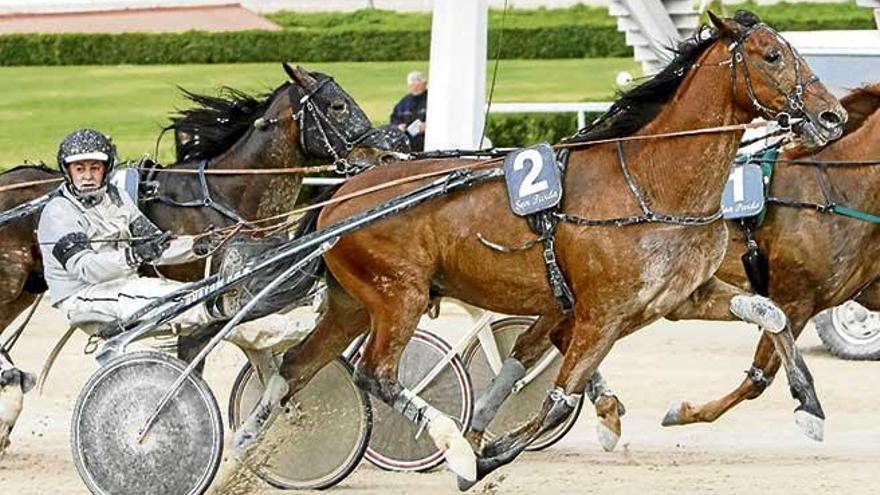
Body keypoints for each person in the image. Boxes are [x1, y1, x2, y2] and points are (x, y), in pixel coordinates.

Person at [37, 128, 218, 329]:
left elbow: (155, 246)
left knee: (200, 293)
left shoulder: (118, 198)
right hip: (83, 295)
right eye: (80, 169)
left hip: (125, 286)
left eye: (95, 168)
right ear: (67, 171)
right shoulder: (59, 211)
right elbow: (85, 268)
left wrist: (196, 246)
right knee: (193, 302)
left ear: (106, 169)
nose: (87, 177)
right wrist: (134, 255)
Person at [390, 71, 428, 151]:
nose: (415, 87)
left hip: (427, 143)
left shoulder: (432, 99)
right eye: (412, 85)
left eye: (418, 84)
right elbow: (393, 121)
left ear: (424, 84)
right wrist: (398, 127)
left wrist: (428, 126)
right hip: (409, 144)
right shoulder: (403, 103)